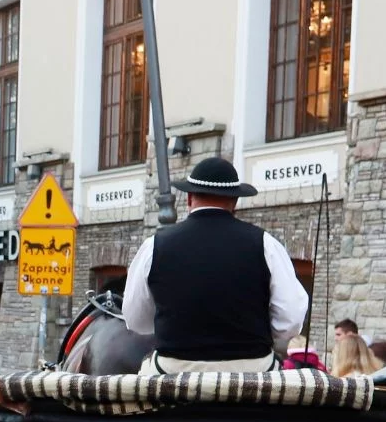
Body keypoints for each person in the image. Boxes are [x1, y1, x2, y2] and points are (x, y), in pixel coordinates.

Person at [123, 157, 310, 373]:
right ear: (235, 202)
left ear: (189, 198)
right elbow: (291, 318)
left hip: (173, 369)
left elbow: (136, 321)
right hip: (253, 369)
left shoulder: (154, 245)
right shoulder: (266, 244)